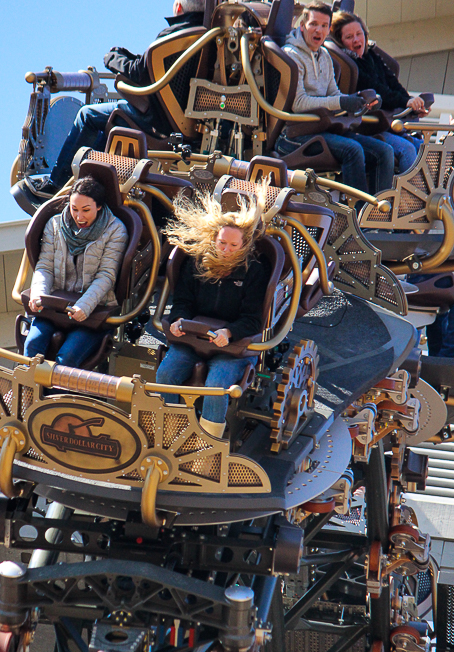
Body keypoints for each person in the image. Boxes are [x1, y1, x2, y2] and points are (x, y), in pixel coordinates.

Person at [17, 0, 205, 206]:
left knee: (87, 116)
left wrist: (112, 57)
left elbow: (139, 73)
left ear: (179, 7)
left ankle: (54, 186)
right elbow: (149, 66)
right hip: (188, 124)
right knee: (104, 127)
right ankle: (84, 188)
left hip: (156, 122)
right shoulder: (206, 37)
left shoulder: (175, 36)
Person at [156, 191, 269, 439]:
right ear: (213, 239)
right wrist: (178, 321)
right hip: (194, 339)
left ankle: (209, 443)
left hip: (232, 346)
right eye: (221, 243)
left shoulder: (254, 272)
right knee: (166, 374)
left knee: (216, 384)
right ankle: (171, 434)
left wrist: (229, 332)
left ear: (244, 245)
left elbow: (252, 319)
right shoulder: (197, 263)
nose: (226, 250)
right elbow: (183, 301)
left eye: (233, 245)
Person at [275, 1, 394, 196]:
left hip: (324, 128)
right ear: (303, 26)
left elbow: (335, 96)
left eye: (323, 26)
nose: (318, 30)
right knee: (353, 150)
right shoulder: (292, 55)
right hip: (295, 134)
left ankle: (378, 218)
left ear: (328, 29)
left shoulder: (325, 57)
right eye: (313, 24)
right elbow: (299, 103)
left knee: (384, 151)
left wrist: (361, 102)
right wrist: (341, 102)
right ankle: (357, 217)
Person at [24, 176, 128, 367]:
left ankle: (53, 397)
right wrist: (39, 293)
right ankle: (27, 394)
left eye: (86, 210)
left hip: (92, 310)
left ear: (99, 206)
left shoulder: (115, 231)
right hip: (56, 306)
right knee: (32, 346)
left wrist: (85, 306)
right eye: (74, 209)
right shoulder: (55, 224)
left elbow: (106, 276)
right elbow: (45, 266)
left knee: (67, 359)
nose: (79, 217)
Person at [331, 10, 427, 174]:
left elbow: (392, 83)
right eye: (349, 37)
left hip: (387, 125)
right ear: (340, 42)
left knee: (423, 148)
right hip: (368, 128)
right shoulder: (350, 66)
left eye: (359, 34)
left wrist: (412, 103)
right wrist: (404, 102)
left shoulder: (371, 55)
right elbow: (377, 90)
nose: (356, 40)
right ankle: (406, 199)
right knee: (406, 149)